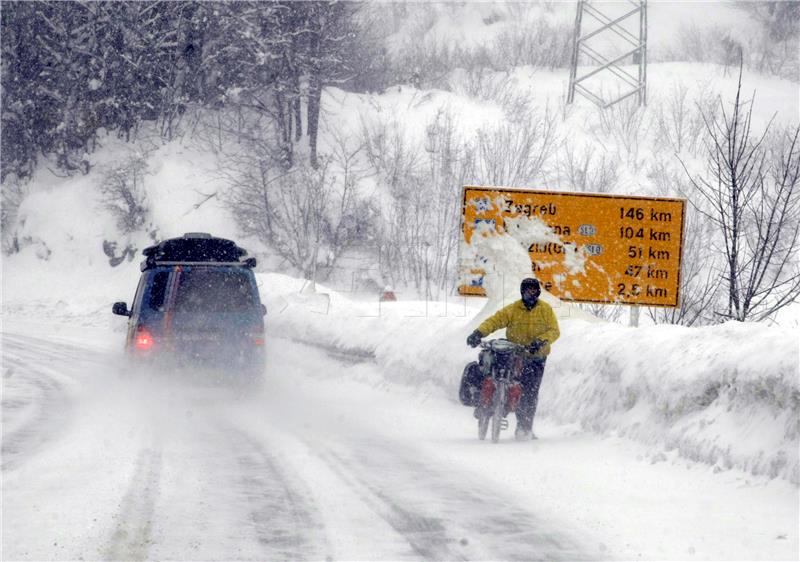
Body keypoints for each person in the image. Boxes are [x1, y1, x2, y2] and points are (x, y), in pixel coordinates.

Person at [466, 277, 559, 440]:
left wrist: (540, 341)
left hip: (536, 358)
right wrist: (479, 332)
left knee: (529, 393)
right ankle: (488, 405)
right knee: (496, 375)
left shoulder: (546, 310)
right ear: (522, 292)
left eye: (535, 290)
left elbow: (554, 331)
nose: (532, 294)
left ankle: (524, 429)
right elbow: (495, 321)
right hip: (514, 354)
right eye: (528, 290)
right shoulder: (513, 309)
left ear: (538, 292)